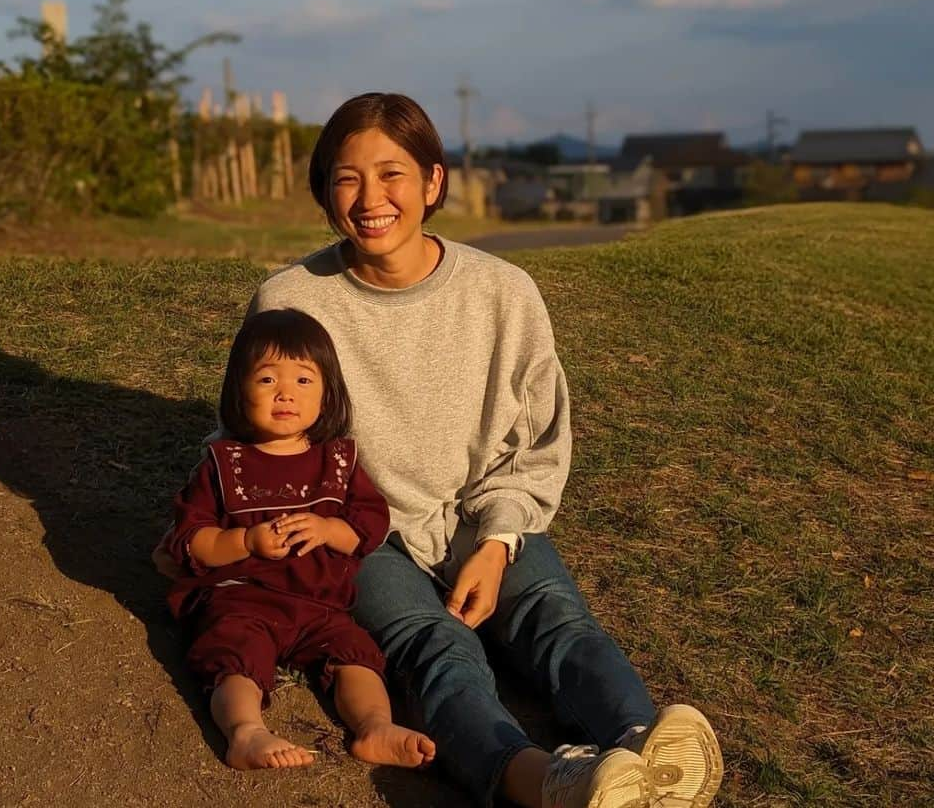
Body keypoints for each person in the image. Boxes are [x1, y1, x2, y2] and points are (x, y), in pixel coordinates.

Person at [243, 91, 723, 808]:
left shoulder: (504, 293)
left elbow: (536, 440)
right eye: (347, 178)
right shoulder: (291, 301)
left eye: (392, 174)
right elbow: (256, 432)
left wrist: (498, 543)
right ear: (323, 192)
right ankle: (552, 784)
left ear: (434, 182)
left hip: (481, 510)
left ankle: (646, 753)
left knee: (557, 620)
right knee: (437, 650)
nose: (371, 198)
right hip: (361, 532)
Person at [162, 306, 436, 773]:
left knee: (356, 655)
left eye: (304, 381)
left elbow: (370, 525)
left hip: (321, 606)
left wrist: (330, 529)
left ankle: (374, 726)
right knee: (235, 656)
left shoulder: (339, 462)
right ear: (239, 390)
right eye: (268, 380)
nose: (285, 393)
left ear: (327, 395)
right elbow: (191, 542)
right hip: (242, 599)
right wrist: (246, 542)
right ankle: (245, 731)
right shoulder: (224, 464)